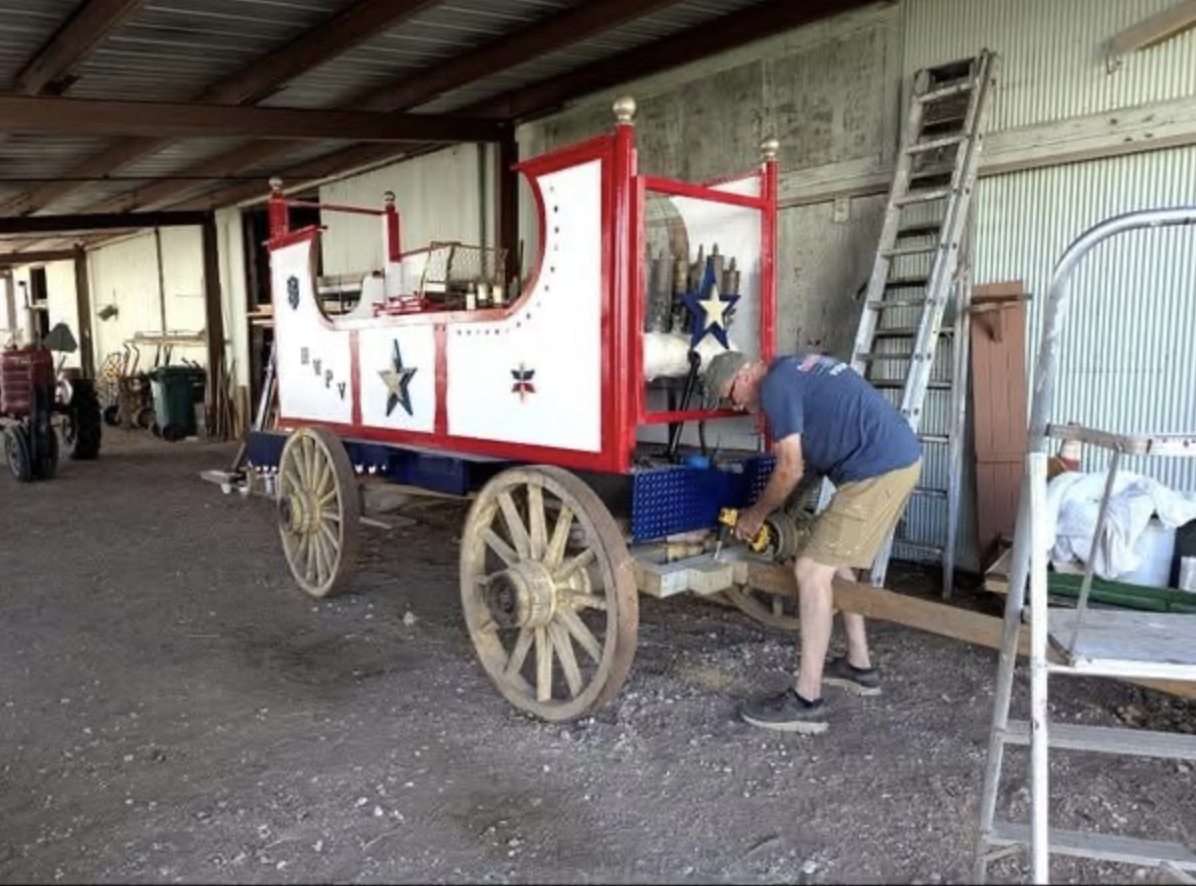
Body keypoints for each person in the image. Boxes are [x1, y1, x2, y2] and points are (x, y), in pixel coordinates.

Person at [702, 351, 922, 734]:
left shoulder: (776, 387)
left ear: (744, 372)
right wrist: (784, 511)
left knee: (810, 570)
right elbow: (811, 460)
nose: (735, 403)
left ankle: (807, 701)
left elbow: (790, 467)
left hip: (879, 470)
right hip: (892, 459)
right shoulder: (792, 369)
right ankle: (859, 666)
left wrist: (756, 517)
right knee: (832, 558)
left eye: (730, 393)